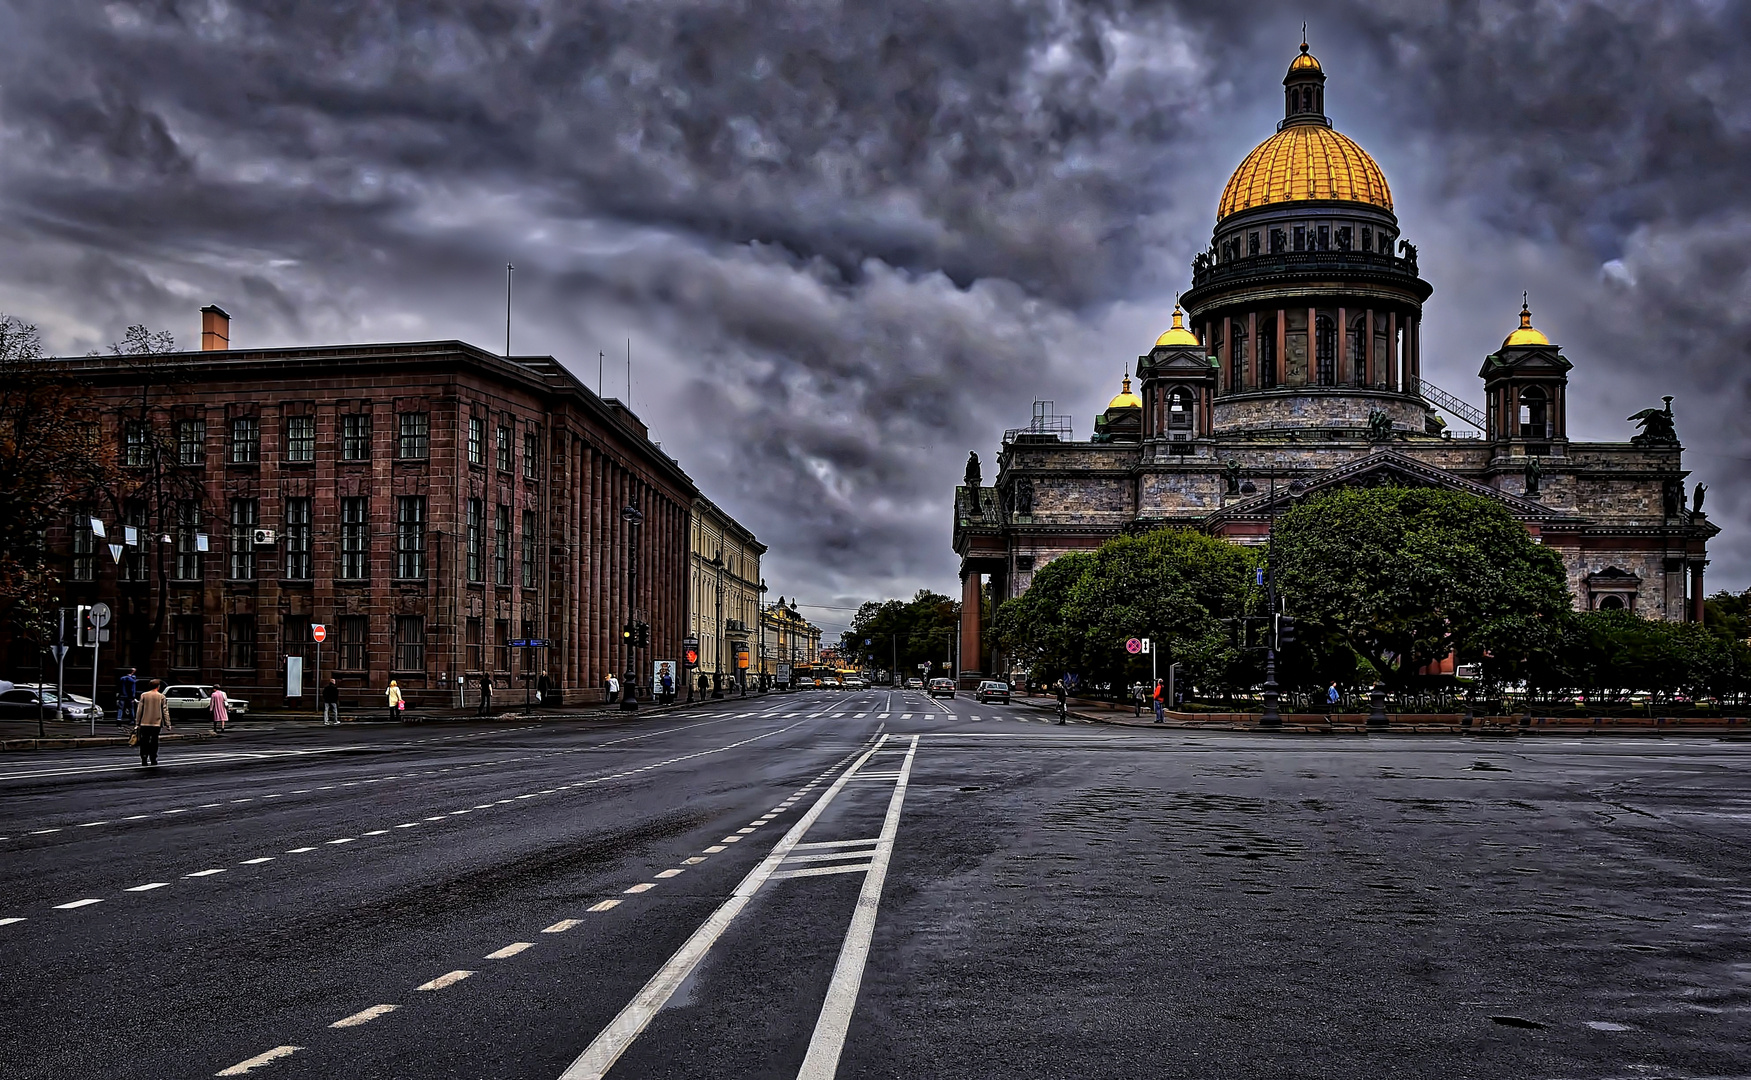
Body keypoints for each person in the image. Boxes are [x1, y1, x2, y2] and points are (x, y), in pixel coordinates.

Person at [135, 679, 171, 766]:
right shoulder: (161, 696)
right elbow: (165, 711)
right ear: (158, 687)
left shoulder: (144, 695)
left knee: (144, 740)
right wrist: (168, 723)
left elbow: (139, 710)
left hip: (144, 722)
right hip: (156, 723)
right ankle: (153, 758)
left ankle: (144, 757)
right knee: (154, 741)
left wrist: (137, 723)